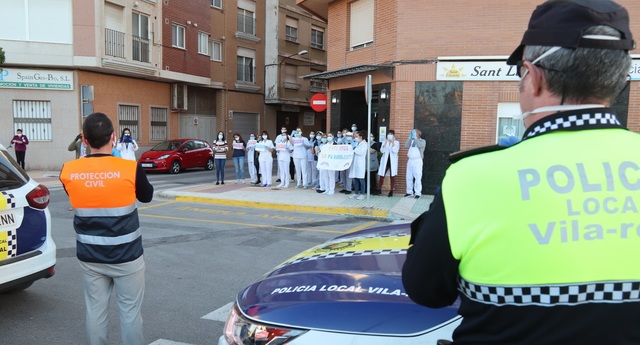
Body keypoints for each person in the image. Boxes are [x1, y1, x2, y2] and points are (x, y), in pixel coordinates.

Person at [402, 1, 640, 344]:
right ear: (617, 79)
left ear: (536, 76)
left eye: (521, 74)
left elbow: (426, 291)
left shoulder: (473, 176)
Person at [59, 112, 153, 345]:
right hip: (127, 257)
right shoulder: (129, 168)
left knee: (95, 312)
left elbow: (76, 196)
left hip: (90, 256)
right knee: (130, 313)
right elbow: (147, 196)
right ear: (113, 137)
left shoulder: (68, 170)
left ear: (85, 140)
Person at [375, 130, 399, 196]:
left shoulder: (396, 143)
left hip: (392, 162)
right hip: (385, 162)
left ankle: (391, 191)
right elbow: (382, 151)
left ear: (394, 136)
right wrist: (385, 143)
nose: (390, 136)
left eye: (391, 134)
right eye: (389, 134)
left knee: (392, 176)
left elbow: (395, 151)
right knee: (382, 176)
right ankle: (379, 189)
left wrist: (393, 143)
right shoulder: (384, 142)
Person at [404, 129, 426, 199]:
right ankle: (409, 192)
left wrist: (415, 138)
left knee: (417, 177)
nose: (413, 134)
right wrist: (409, 138)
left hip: (417, 161)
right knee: (409, 177)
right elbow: (406, 145)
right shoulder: (412, 140)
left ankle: (418, 193)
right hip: (410, 160)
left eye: (415, 133)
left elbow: (419, 145)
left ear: (418, 134)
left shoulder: (422, 141)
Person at [348, 130, 367, 200]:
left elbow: (360, 152)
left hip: (360, 164)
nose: (355, 138)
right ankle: (356, 193)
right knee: (355, 178)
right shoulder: (357, 144)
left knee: (361, 179)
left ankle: (362, 194)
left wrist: (354, 149)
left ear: (361, 137)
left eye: (356, 136)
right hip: (355, 163)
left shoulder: (364, 144)